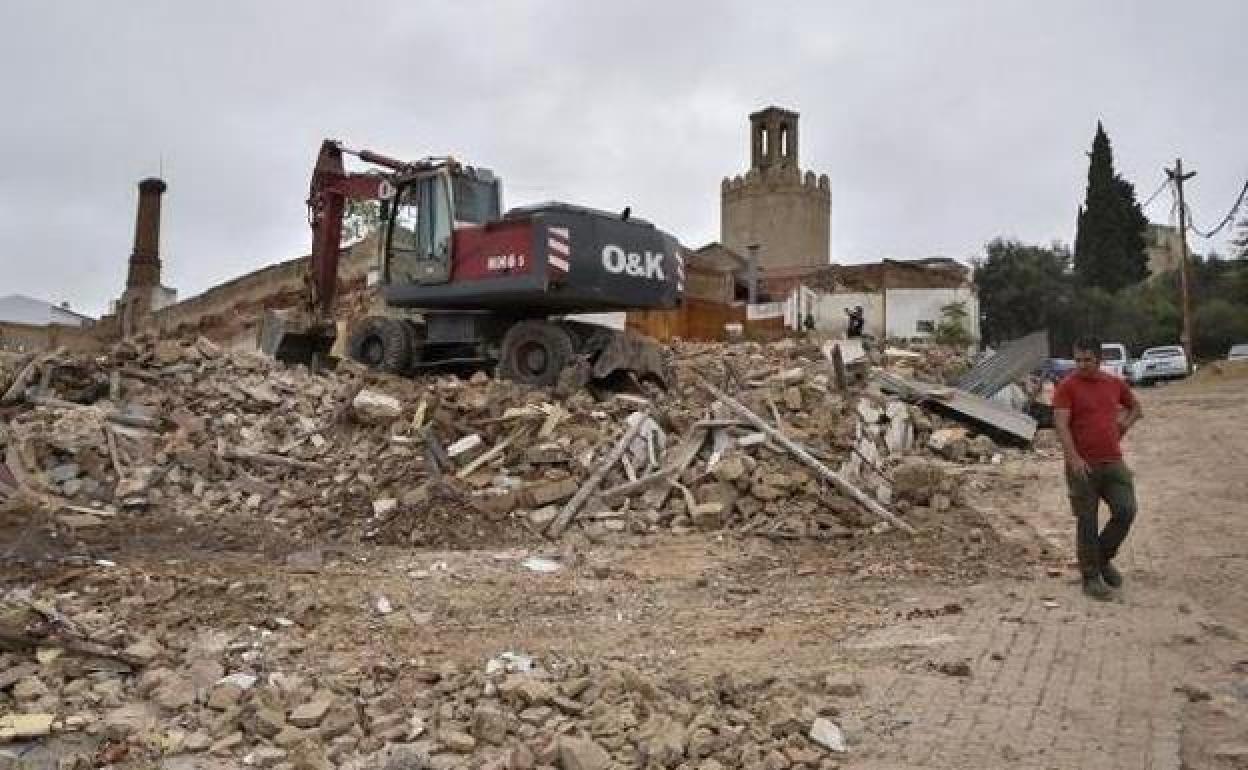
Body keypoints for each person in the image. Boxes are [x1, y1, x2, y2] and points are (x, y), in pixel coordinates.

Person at [1053, 336, 1143, 600]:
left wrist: (1124, 425)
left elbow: (1136, 407)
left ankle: (1102, 558)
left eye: (1087, 360)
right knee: (1087, 521)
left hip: (1113, 462)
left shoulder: (1113, 383)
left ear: (1099, 360)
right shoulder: (1066, 387)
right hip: (1083, 466)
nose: (1082, 365)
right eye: (1077, 359)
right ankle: (1091, 577)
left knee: (1126, 509)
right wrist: (1073, 459)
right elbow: (1061, 425)